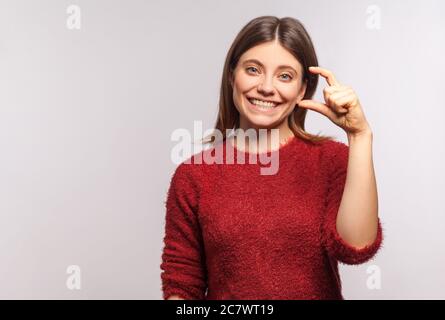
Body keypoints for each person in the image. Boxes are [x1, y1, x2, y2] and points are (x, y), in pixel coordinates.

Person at [160, 15, 383, 300]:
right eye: (253, 70)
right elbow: (182, 285)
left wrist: (360, 136)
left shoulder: (331, 160)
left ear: (303, 89)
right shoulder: (194, 175)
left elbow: (356, 247)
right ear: (232, 75)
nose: (266, 86)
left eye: (285, 76)